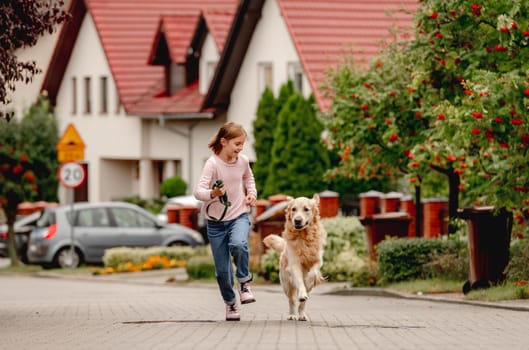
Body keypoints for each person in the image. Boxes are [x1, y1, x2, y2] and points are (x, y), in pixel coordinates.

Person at [193, 122, 257, 321]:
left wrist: (252, 194)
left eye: (242, 145)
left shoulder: (243, 161)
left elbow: (248, 179)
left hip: (239, 215)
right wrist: (213, 193)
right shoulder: (212, 164)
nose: (240, 148)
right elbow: (198, 192)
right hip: (216, 223)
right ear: (224, 141)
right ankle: (230, 303)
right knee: (222, 272)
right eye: (237, 144)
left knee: (239, 243)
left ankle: (244, 282)